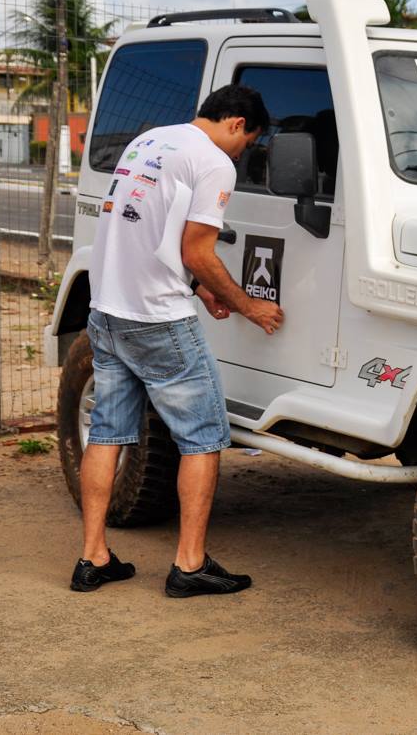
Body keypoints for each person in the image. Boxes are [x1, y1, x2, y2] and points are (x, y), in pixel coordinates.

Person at [71, 84, 284, 597]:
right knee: (204, 437)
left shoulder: (149, 142)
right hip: (158, 320)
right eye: (249, 142)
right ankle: (189, 565)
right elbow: (196, 249)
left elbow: (149, 234)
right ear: (237, 123)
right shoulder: (214, 162)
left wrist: (204, 289)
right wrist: (244, 303)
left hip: (107, 310)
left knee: (107, 434)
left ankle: (92, 557)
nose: (244, 152)